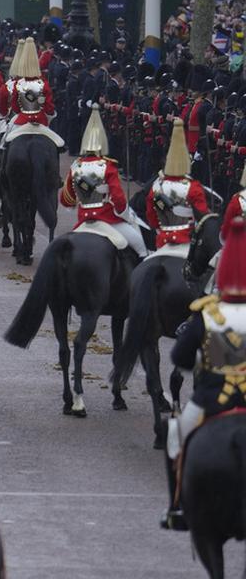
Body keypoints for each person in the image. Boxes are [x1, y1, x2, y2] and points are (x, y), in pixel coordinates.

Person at [163, 217, 246, 530]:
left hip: (212, 400)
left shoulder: (208, 312)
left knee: (176, 436)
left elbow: (180, 358)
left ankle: (177, 507)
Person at [59, 105, 148, 258]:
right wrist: (125, 214)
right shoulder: (108, 166)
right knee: (140, 247)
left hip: (83, 220)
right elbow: (119, 199)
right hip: (107, 219)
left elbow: (65, 200)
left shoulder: (76, 167)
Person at [146, 119, 210, 249]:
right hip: (187, 240)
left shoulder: (157, 186)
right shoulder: (193, 187)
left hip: (163, 240)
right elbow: (203, 219)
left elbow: (152, 218)